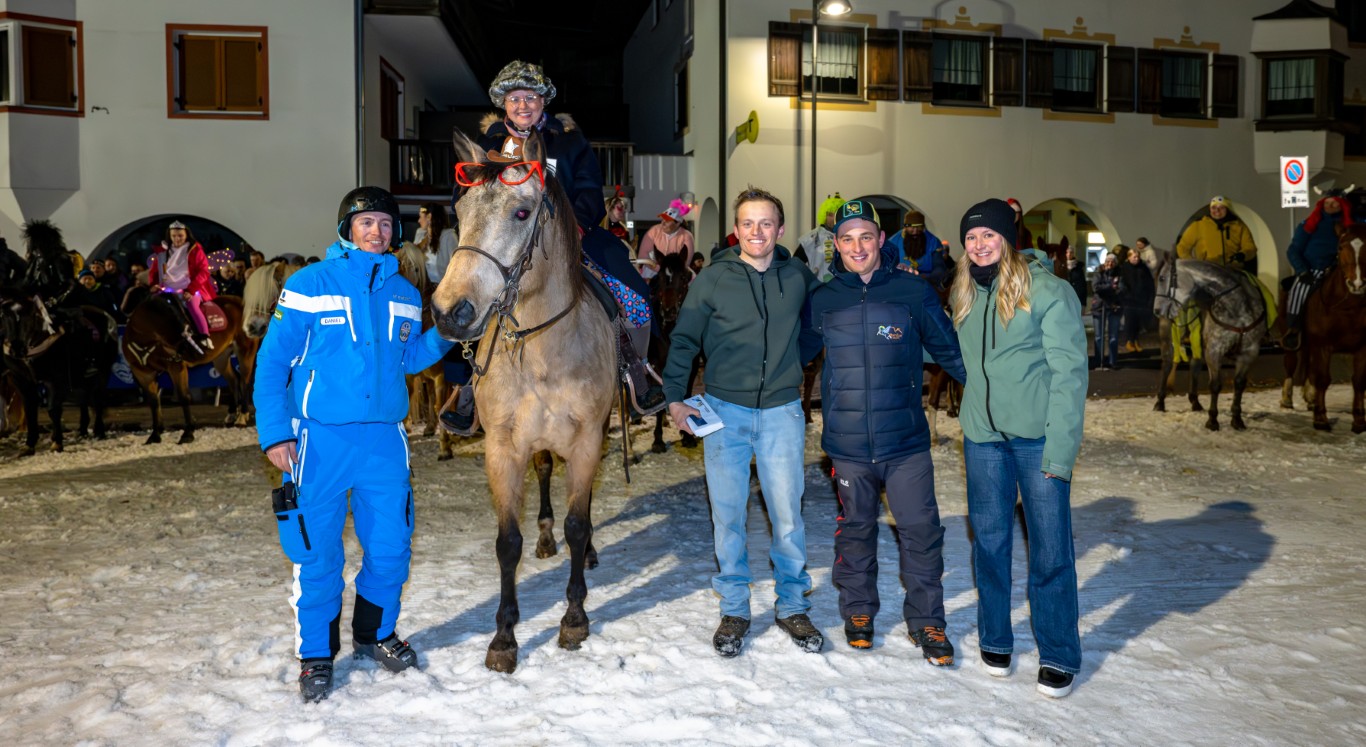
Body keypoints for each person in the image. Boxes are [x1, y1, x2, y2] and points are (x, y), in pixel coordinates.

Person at [254, 186, 456, 703]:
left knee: (391, 548)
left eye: (386, 224)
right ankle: (316, 656)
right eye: (366, 223)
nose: (377, 232)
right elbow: (272, 363)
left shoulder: (404, 293)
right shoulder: (309, 284)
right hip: (317, 442)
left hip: (383, 443)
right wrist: (275, 432)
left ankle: (374, 634)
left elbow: (409, 359)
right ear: (347, 229)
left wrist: (447, 334)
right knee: (317, 555)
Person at [799, 199, 966, 662]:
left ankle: (927, 619)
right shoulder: (824, 299)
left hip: (905, 441)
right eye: (847, 239)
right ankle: (858, 611)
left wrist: (995, 397)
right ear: (836, 245)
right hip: (848, 444)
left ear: (880, 240)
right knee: (855, 530)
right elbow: (791, 357)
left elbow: (950, 352)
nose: (857, 247)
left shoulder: (912, 292)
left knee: (921, 531)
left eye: (866, 237)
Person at [663, 186, 823, 657]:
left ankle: (792, 604)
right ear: (736, 229)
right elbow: (684, 340)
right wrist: (674, 399)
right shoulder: (713, 278)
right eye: (748, 223)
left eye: (766, 223)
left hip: (781, 413)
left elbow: (818, 325)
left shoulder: (798, 276)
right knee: (728, 514)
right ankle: (734, 606)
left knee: (787, 515)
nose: (757, 231)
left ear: (780, 228)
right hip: (725, 413)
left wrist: (792, 362)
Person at [949, 198, 1087, 698]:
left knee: (1050, 549)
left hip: (1038, 440)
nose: (979, 245)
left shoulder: (1048, 291)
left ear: (1008, 238)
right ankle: (995, 638)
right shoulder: (965, 291)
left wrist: (1060, 453)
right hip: (983, 440)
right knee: (989, 544)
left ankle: (1058, 653)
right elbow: (954, 354)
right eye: (971, 237)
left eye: (988, 235)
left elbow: (1070, 376)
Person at [1282, 192, 1353, 350]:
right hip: (1311, 270)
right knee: (1298, 292)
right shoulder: (1309, 224)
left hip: (1339, 270)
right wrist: (1302, 271)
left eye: (1334, 203)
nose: (1330, 206)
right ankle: (1294, 329)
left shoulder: (1350, 226)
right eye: (1326, 203)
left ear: (1342, 205)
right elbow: (1293, 250)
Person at [147, 220, 217, 354]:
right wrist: (153, 285)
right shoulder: (162, 252)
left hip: (190, 288)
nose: (177, 239)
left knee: (192, 305)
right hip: (166, 289)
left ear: (186, 235)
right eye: (174, 236)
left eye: (180, 236)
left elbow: (203, 271)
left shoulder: (194, 250)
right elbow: (154, 272)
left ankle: (204, 335)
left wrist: (191, 290)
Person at [1176, 195, 1258, 274]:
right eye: (1214, 207)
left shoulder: (1239, 226)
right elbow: (1182, 247)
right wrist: (1195, 265)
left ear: (1227, 209)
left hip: (1233, 271)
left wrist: (1243, 255)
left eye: (1221, 208)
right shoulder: (1198, 226)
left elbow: (1250, 247)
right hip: (1208, 272)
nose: (1217, 211)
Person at [886, 209, 952, 287]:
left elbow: (939, 268)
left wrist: (926, 279)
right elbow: (887, 267)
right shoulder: (893, 242)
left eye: (919, 226)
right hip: (900, 282)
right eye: (912, 227)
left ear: (923, 227)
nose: (915, 231)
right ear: (905, 227)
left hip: (927, 282)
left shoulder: (933, 242)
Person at [637, 199, 695, 278]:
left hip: (676, 273)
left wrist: (671, 272)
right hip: (652, 270)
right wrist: (658, 268)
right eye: (663, 218)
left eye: (667, 220)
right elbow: (642, 256)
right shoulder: (653, 231)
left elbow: (685, 262)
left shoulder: (687, 236)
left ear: (678, 223)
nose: (663, 222)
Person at [795, 192, 846, 282]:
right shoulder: (810, 238)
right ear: (824, 216)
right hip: (816, 286)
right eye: (830, 215)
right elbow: (795, 264)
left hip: (843, 286)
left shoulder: (849, 237)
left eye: (837, 214)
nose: (833, 218)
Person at [1118, 242, 1154, 353]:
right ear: (1129, 257)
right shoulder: (1124, 268)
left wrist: (1150, 297)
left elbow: (1150, 282)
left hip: (1141, 300)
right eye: (1134, 257)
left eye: (1138, 257)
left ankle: (1136, 341)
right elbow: (1121, 283)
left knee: (1139, 323)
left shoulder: (1143, 267)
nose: (1136, 259)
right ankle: (1129, 341)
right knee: (1130, 322)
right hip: (1129, 300)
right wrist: (1125, 295)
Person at [1091, 253, 1123, 370]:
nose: (1109, 263)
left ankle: (1112, 361)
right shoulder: (1098, 272)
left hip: (1114, 307)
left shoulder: (1120, 274)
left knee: (1113, 336)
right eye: (1107, 261)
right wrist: (1110, 286)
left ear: (1115, 263)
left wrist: (1106, 288)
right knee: (1098, 337)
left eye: (1112, 261)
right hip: (1099, 307)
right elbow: (1095, 287)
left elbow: (1120, 289)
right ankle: (1098, 361)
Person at [416, 202, 457, 285]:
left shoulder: (449, 236)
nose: (419, 220)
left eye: (420, 217)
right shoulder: (420, 234)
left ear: (429, 217)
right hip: (423, 286)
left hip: (443, 286)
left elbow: (456, 264)